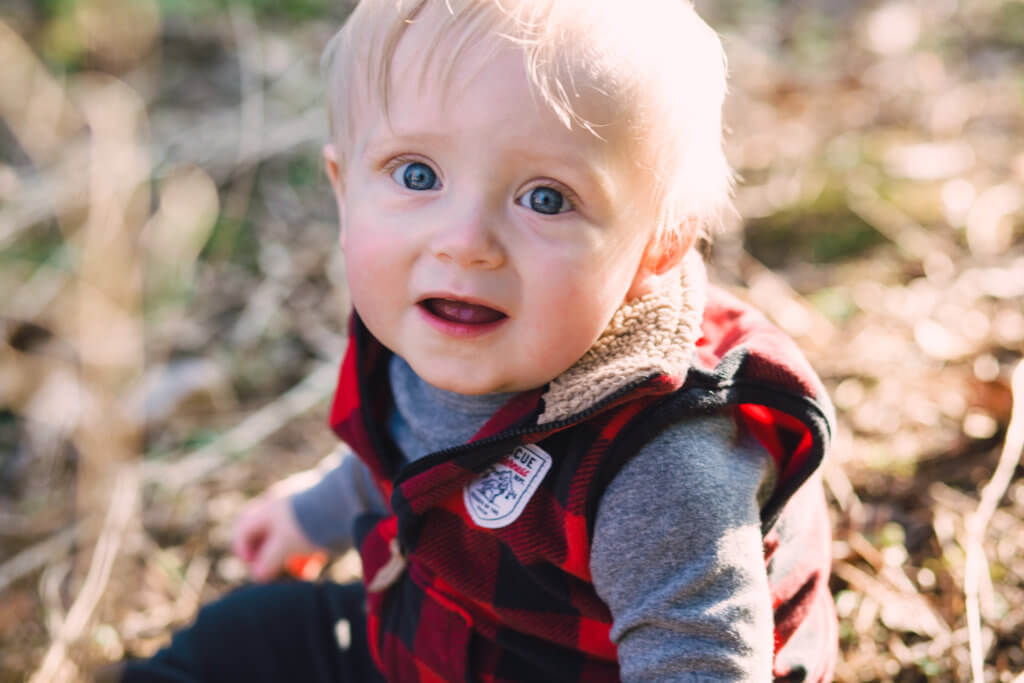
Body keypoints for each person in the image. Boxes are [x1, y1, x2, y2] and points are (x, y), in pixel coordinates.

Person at [116, 0, 838, 680]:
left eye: (546, 198)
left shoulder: (659, 464)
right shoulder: (438, 323)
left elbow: (699, 658)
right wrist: (312, 513)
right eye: (418, 174)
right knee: (249, 630)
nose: (465, 244)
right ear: (344, 191)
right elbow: (412, 453)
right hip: (453, 640)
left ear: (656, 249)